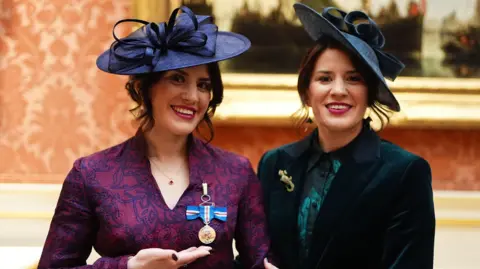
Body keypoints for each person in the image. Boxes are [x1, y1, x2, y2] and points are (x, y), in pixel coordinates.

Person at [38, 6, 273, 269]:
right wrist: (129, 267)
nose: (192, 96)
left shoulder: (235, 172)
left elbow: (258, 263)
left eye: (203, 85)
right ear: (143, 88)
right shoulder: (92, 174)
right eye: (177, 79)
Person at [258, 3, 436, 269]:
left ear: (370, 93)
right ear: (307, 93)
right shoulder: (275, 164)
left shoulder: (405, 173)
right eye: (325, 78)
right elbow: (254, 257)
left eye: (353, 78)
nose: (338, 90)